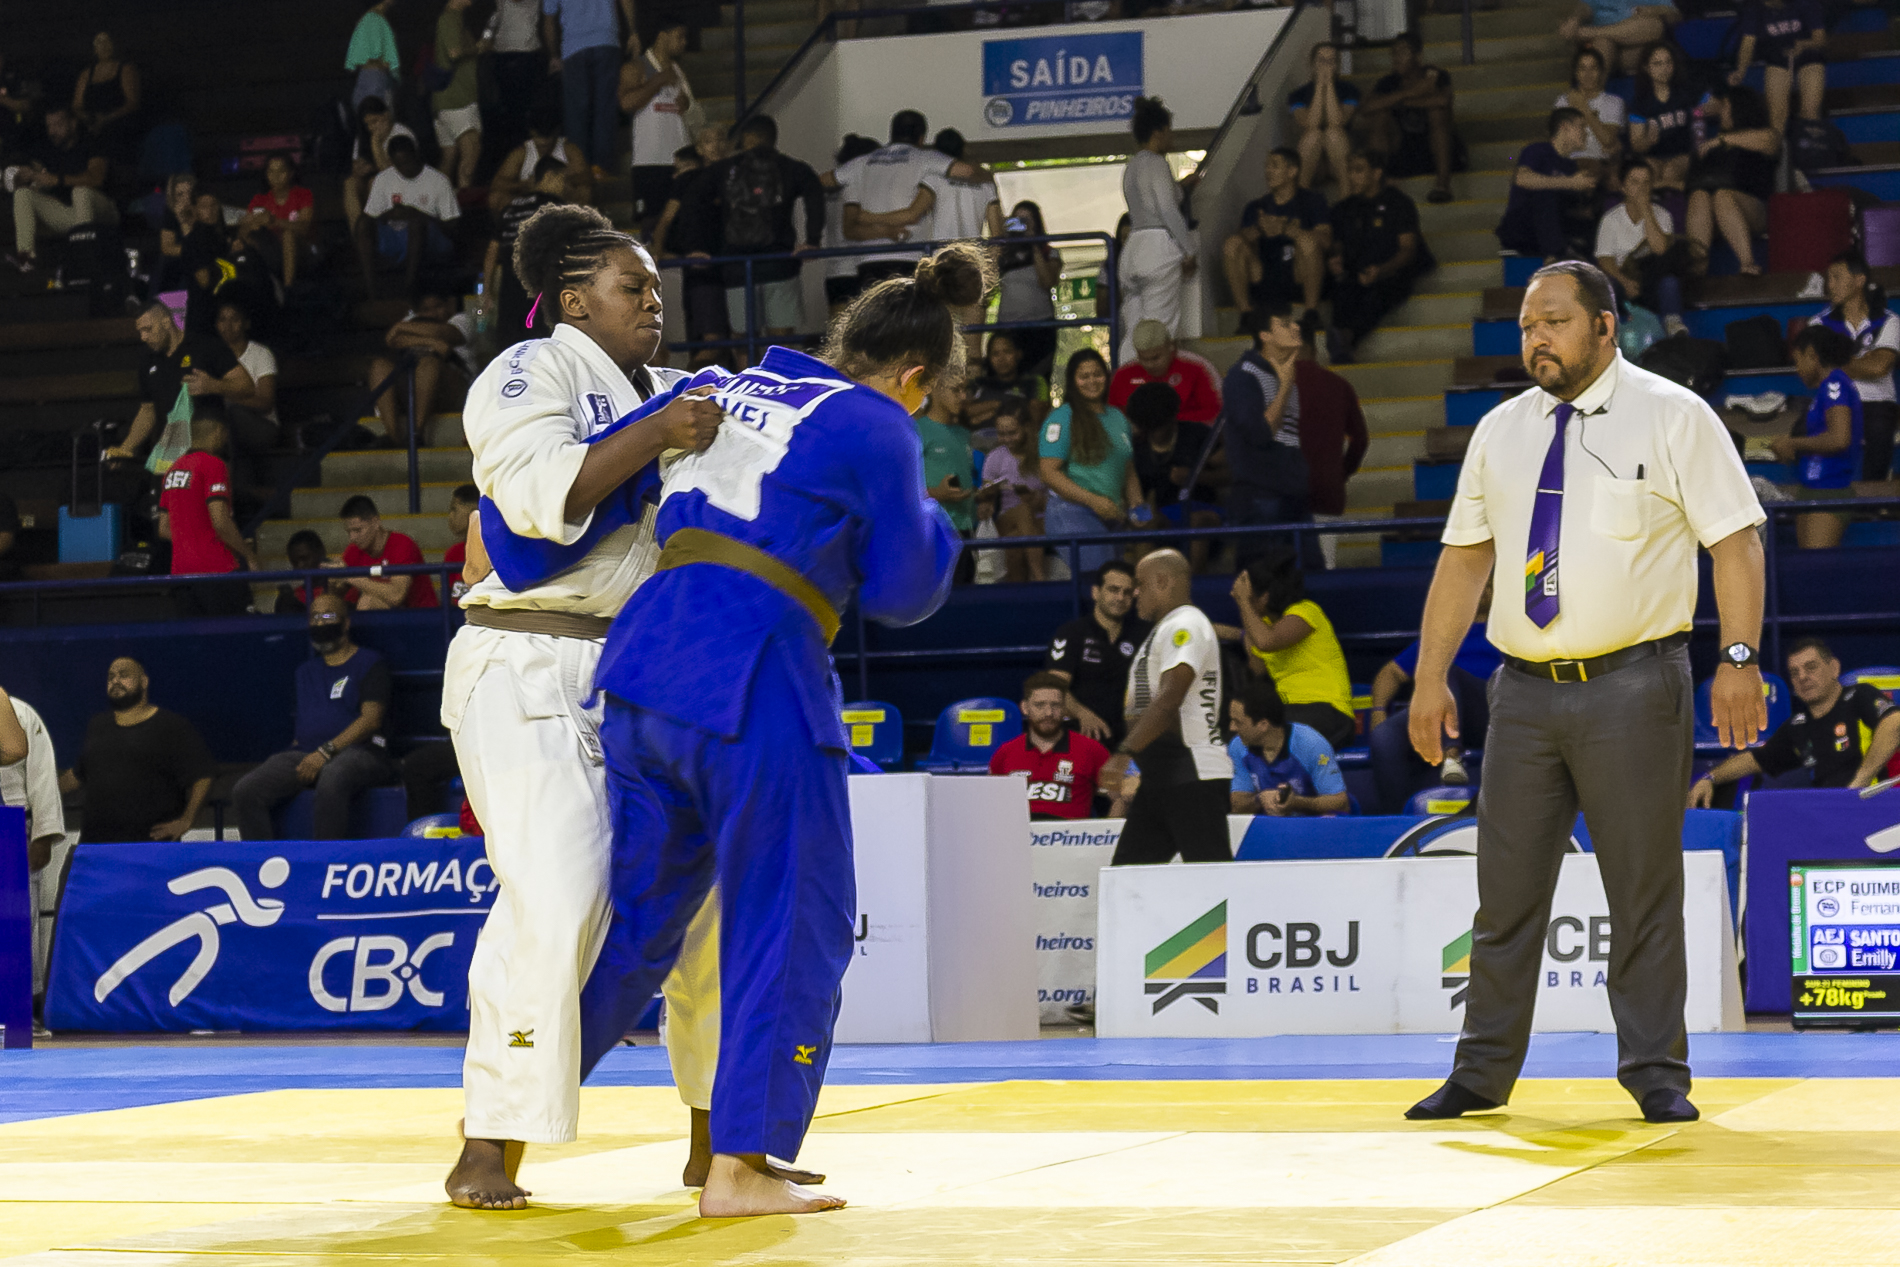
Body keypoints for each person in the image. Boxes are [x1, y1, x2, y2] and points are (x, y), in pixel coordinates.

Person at [574, 243, 977, 1217]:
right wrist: (934, 521)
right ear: (914, 375)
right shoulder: (878, 421)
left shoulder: (724, 383)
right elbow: (900, 591)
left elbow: (617, 471)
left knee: (632, 923)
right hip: (752, 677)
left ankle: (499, 1121)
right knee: (794, 913)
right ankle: (741, 1165)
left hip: (641, 664)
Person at [1403, 260, 1767, 1126]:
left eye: (1556, 322)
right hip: (1521, 693)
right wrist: (1428, 677)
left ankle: (1654, 1072)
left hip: (1634, 684)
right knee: (1505, 893)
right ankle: (1482, 1072)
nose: (1537, 339)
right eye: (1529, 325)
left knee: (1642, 890)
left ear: (1606, 327)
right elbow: (1465, 559)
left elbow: (1737, 542)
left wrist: (1740, 655)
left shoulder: (1676, 415)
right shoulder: (1500, 430)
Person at [438, 201, 723, 1211]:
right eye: (632, 287)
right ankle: (489, 1141)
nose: (655, 302)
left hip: (641, 675)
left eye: (655, 288)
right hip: (525, 661)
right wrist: (656, 429)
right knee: (558, 893)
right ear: (571, 300)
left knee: (705, 900)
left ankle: (721, 1138)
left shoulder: (672, 394)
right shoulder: (531, 373)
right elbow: (534, 505)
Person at [232, 594, 399, 840]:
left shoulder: (370, 663)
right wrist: (306, 752)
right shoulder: (305, 672)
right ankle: (263, 866)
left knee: (333, 776)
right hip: (307, 752)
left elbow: (371, 720)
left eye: (328, 616)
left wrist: (325, 752)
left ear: (346, 623)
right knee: (245, 790)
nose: (321, 623)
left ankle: (326, 862)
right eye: (315, 618)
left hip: (362, 752)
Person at [1101, 549, 1231, 864]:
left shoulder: (1185, 624)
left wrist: (1122, 754)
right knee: (1128, 878)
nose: (1134, 594)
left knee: (1213, 882)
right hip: (1162, 774)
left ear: (1162, 581)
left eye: (1140, 585)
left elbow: (1170, 698)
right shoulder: (1164, 630)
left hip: (1192, 771)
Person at [1691, 638, 1900, 804]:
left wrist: (1860, 782)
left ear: (1834, 667)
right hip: (1828, 813)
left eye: (1811, 667)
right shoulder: (1797, 726)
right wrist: (1709, 778)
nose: (1803, 677)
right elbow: (1755, 759)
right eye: (1794, 672)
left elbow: (1894, 723)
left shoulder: (1859, 696)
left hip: (1875, 803)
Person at [685, 114, 826, 360]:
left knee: (742, 341)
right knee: (781, 340)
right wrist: (812, 239)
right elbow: (815, 193)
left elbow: (693, 198)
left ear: (745, 138)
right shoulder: (792, 168)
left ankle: (749, 388)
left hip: (736, 267)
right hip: (780, 264)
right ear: (773, 138)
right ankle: (780, 390)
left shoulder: (725, 169)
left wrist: (696, 245)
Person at [1367, 586, 1498, 811]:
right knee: (1384, 735)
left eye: (1488, 585)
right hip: (1439, 714)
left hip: (1490, 713)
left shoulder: (1504, 631)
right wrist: (1378, 711)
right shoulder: (1444, 635)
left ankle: (1452, 756)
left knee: (1444, 671)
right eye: (1479, 584)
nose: (1481, 590)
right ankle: (1397, 821)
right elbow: (1390, 673)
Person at [59, 658, 214, 843]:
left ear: (144, 681)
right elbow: (79, 775)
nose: (115, 681)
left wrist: (186, 820)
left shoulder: (170, 726)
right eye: (110, 677)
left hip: (149, 848)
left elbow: (203, 775)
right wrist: (40, 793)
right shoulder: (98, 725)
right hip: (96, 845)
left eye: (124, 675)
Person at [833, 109, 985, 287]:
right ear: (921, 138)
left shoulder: (862, 163)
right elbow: (913, 215)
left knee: (876, 312)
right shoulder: (929, 162)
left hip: (868, 258)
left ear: (892, 133)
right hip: (911, 254)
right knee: (910, 311)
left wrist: (865, 217)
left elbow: (825, 180)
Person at [1229, 551, 1357, 750]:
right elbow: (1258, 669)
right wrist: (1242, 631)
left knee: (1270, 736)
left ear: (1264, 598)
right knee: (1240, 735)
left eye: (1248, 594)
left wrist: (1243, 603)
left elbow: (1266, 641)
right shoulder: (1263, 626)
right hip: (1288, 710)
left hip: (1327, 711)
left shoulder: (1305, 612)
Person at [110, 302, 252, 474]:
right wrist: (127, 448)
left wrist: (214, 385)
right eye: (140, 331)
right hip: (169, 454)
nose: (143, 337)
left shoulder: (205, 346)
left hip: (209, 449)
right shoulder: (147, 360)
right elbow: (148, 410)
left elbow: (247, 386)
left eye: (148, 329)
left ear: (166, 322)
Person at [1038, 347, 1140, 574]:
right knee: (1100, 580)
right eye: (1084, 376)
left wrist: (1139, 509)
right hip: (1072, 511)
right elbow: (1048, 472)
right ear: (1073, 381)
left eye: (1097, 374)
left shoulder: (1117, 417)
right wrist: (1094, 501)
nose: (1091, 381)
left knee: (1116, 582)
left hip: (1112, 515)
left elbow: (1128, 470)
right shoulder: (1062, 417)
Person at [1326, 149, 1433, 362]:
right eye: (1350, 171)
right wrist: (1336, 260)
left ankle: (1348, 338)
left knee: (1377, 295)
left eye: (1358, 171)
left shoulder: (1398, 203)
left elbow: (1408, 249)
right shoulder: (1344, 209)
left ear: (1376, 173)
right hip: (1358, 269)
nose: (1352, 177)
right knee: (1343, 291)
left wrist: (1382, 270)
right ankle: (1340, 338)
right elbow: (1337, 244)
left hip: (1392, 270)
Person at [1222, 305, 1313, 538]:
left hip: (1293, 491)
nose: (1296, 327)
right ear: (1265, 335)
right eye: (1285, 323)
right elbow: (1259, 433)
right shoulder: (1244, 376)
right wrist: (1283, 387)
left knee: (1309, 569)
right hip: (1261, 495)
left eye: (1294, 322)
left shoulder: (1286, 373)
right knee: (1264, 568)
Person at [1119, 96, 1197, 361]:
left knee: (1134, 331)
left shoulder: (1131, 167)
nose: (1171, 136)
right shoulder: (1157, 163)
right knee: (1157, 333)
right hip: (1157, 250)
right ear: (1159, 132)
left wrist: (1182, 188)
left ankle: (1124, 381)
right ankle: (1149, 390)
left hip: (1132, 248)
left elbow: (1159, 199)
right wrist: (1189, 250)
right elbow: (1166, 209)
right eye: (1169, 131)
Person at [1772, 324, 1862, 549]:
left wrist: (1792, 443)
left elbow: (1840, 438)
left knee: (1816, 573)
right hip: (1812, 488)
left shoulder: (1835, 384)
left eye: (1797, 360)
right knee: (1807, 567)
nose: (1797, 369)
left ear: (1811, 353)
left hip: (1829, 489)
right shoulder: (1824, 391)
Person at [159, 415, 259, 616]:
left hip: (181, 575)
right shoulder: (213, 464)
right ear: (218, 432)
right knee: (234, 638)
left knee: (196, 642)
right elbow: (220, 521)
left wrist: (191, 538)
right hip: (217, 570)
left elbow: (163, 529)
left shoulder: (172, 470)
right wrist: (249, 555)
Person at [1291, 314, 1370, 567]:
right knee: (1325, 570)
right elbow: (1360, 440)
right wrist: (1340, 473)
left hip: (1283, 492)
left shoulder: (1270, 387)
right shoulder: (1339, 385)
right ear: (1314, 349)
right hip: (1327, 490)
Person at [1815, 250, 1899, 482]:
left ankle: (1872, 499)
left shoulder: (1889, 321)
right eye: (1827, 279)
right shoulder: (1819, 323)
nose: (1829, 285)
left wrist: (1836, 364)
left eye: (1836, 278)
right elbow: (1818, 370)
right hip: (1834, 400)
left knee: (1880, 431)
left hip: (1877, 403)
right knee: (1804, 430)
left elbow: (1879, 367)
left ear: (1859, 280)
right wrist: (1862, 362)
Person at [1045, 560, 1149, 746]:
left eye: (1126, 592)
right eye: (1113, 590)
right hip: (1082, 736)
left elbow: (1184, 629)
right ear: (1096, 592)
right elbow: (1055, 687)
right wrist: (1083, 714)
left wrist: (1217, 630)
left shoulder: (1144, 633)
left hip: (1130, 740)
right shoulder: (1072, 633)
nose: (1120, 597)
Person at [1221, 147, 1330, 326]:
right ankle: (1246, 315)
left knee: (1308, 241)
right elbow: (1240, 241)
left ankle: (1311, 312)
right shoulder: (1256, 206)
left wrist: (1287, 229)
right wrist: (1259, 230)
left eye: (1274, 166)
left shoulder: (1312, 201)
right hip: (1265, 273)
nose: (1268, 171)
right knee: (1232, 243)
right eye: (1267, 166)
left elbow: (1326, 242)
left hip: (1297, 273)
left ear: (1292, 171)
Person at [2, 687, 63, 997]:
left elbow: (41, 776)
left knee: (17, 921)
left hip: (13, 829)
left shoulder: (20, 713)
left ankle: (21, 1006)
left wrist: (43, 836)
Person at [1125, 382, 1223, 572]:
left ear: (1172, 418)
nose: (1155, 433)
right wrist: (1140, 520)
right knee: (1147, 526)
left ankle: (1194, 585)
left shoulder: (1197, 434)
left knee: (1197, 521)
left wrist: (1196, 477)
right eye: (1150, 429)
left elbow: (1229, 475)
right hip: (1167, 515)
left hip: (1207, 512)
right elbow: (1138, 498)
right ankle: (1145, 585)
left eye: (1159, 426)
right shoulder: (1139, 449)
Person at [990, 672, 1115, 819]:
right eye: (1040, 705)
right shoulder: (1005, 753)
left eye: (1055, 705)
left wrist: (1109, 835)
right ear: (1025, 707)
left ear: (1064, 709)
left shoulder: (1092, 750)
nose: (1048, 712)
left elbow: (1122, 796)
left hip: (1069, 838)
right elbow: (990, 803)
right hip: (1018, 837)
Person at [1684, 85, 1779, 278]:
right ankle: (1698, 268)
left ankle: (1748, 264)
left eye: (1725, 106)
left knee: (1722, 196)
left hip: (1754, 207)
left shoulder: (1759, 136)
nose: (1721, 112)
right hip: (1712, 212)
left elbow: (1770, 140)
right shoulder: (1710, 144)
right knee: (1699, 196)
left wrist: (1722, 140)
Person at [8, 106, 113, 274]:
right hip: (73, 215)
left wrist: (58, 180)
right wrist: (28, 178)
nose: (52, 131)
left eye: (58, 125)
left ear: (72, 123)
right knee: (22, 194)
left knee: (81, 192)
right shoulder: (48, 150)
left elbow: (96, 178)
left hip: (103, 211)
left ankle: (84, 257)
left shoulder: (92, 142)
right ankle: (26, 260)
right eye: (49, 126)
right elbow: (36, 178)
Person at [366, 287, 478, 446]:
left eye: (437, 307)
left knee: (429, 363)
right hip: (413, 388)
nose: (432, 313)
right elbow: (391, 340)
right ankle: (393, 437)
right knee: (380, 366)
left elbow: (445, 335)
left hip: (454, 391)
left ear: (450, 305)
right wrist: (431, 342)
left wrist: (400, 329)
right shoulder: (408, 322)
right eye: (426, 310)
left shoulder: (462, 320)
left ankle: (416, 435)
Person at [1356, 31, 1457, 204]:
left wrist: (1400, 101)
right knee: (1380, 116)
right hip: (1401, 151)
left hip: (1434, 149)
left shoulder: (1434, 75)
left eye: (1402, 52)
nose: (1396, 58)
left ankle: (1442, 184)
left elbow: (1442, 101)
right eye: (1393, 53)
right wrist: (1412, 93)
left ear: (1418, 56)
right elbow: (1366, 108)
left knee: (1437, 112)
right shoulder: (1388, 82)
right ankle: (1379, 185)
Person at [356, 134, 461, 300]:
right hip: (396, 236)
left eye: (407, 162)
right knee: (362, 224)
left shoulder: (438, 180)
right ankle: (371, 291)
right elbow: (371, 217)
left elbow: (453, 227)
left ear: (416, 155)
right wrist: (389, 214)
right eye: (399, 165)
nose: (405, 169)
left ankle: (409, 290)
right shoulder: (383, 179)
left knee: (416, 223)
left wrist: (417, 214)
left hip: (430, 238)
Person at [544, 0, 634, 187]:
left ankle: (580, 172)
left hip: (573, 46)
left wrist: (553, 55)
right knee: (605, 109)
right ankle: (601, 169)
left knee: (576, 113)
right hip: (606, 40)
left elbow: (549, 20)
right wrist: (633, 31)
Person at [1228, 680, 1349, 816]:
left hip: (1311, 825)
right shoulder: (1238, 746)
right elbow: (1237, 805)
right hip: (1268, 827)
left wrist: (1296, 802)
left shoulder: (1311, 743)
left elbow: (1341, 804)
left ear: (1263, 725)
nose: (1231, 728)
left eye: (1238, 722)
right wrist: (1260, 799)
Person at [1595, 158, 1687, 336]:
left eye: (1646, 182)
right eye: (1635, 182)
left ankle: (1673, 325)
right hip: (1623, 278)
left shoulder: (1663, 215)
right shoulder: (1611, 219)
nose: (1641, 188)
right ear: (1624, 187)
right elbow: (1604, 259)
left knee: (1670, 283)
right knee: (1608, 287)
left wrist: (1646, 210)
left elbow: (1660, 249)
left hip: (1652, 279)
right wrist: (1625, 281)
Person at [621, 18, 694, 235]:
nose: (684, 43)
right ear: (662, 35)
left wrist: (685, 103)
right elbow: (626, 103)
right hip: (650, 161)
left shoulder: (678, 70)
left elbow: (687, 108)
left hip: (679, 159)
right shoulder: (636, 67)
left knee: (682, 221)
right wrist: (657, 81)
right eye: (680, 36)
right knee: (651, 223)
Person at [1496, 110, 1598, 264]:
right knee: (1543, 193)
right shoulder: (1538, 150)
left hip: (1550, 230)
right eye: (1582, 127)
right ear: (1565, 126)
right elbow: (1521, 179)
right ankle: (1553, 256)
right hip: (1522, 227)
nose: (1586, 133)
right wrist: (1570, 183)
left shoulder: (1570, 166)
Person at [488, 157, 571, 339]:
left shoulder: (511, 207)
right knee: (538, 343)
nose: (566, 187)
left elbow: (493, 248)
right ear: (550, 176)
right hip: (538, 286)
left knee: (510, 344)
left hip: (509, 289)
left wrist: (487, 290)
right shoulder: (556, 208)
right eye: (564, 180)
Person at [213, 303, 281, 495]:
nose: (228, 325)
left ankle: (238, 488)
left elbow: (266, 402)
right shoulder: (213, 356)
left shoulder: (260, 354)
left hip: (262, 426)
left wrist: (227, 396)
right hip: (223, 426)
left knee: (231, 414)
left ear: (246, 324)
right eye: (222, 320)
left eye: (234, 319)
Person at [979, 398, 1049, 582]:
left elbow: (1054, 498)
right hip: (1007, 517)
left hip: (1041, 518)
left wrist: (1034, 498)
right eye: (1002, 434)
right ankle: (1039, 577)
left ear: (1025, 427)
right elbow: (987, 494)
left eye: (1012, 433)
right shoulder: (995, 457)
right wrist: (986, 497)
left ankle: (1016, 586)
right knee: (1022, 513)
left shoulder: (1042, 455)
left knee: (1016, 538)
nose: (1007, 439)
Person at [1734, 0, 1826, 137]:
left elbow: (1820, 39)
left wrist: (1803, 45)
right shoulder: (1754, 8)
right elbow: (1748, 43)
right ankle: (1781, 155)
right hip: (1777, 58)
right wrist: (1740, 71)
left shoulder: (1805, 3)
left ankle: (1810, 152)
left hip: (1808, 57)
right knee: (1777, 119)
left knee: (1810, 114)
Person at [1109, 320, 1223, 425]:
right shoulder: (1123, 375)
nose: (1150, 364)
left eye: (1155, 358)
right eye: (1143, 358)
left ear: (1171, 346)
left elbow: (1216, 413)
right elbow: (1111, 416)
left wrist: (1167, 424)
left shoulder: (1197, 368)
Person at [994, 201, 1062, 376]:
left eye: (1026, 220)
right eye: (1017, 219)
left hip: (1040, 327)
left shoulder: (1049, 252)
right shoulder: (1003, 253)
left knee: (1039, 380)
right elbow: (987, 284)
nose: (1021, 224)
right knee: (1008, 378)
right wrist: (1000, 238)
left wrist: (1033, 243)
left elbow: (1047, 281)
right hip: (1008, 328)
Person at [340, 493, 439, 609]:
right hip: (382, 617)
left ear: (376, 522)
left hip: (420, 616)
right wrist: (335, 579)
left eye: (357, 530)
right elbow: (338, 591)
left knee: (368, 602)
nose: (352, 538)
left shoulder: (402, 544)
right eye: (349, 532)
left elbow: (396, 595)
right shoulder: (353, 550)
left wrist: (350, 576)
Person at [488, 104, 593, 213]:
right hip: (529, 202)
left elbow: (587, 178)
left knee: (584, 191)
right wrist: (522, 185)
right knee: (496, 198)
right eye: (540, 141)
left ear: (556, 133)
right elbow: (497, 185)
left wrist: (560, 181)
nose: (544, 146)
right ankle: (507, 228)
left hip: (561, 202)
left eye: (548, 143)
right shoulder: (520, 153)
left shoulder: (569, 150)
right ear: (531, 133)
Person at [1628, 41, 1702, 193]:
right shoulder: (1640, 102)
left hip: (1683, 154)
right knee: (1647, 174)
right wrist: (1648, 140)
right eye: (1657, 64)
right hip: (1653, 156)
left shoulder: (1686, 93)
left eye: (1668, 62)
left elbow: (1706, 114)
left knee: (1670, 171)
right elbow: (1636, 144)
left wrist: (1701, 112)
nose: (1664, 68)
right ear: (1646, 68)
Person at [820, 134, 881, 315]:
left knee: (840, 336)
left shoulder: (831, 188)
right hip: (861, 267)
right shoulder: (862, 187)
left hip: (835, 271)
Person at [237, 153, 314, 289]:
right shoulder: (260, 200)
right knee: (251, 238)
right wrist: (249, 224)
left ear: (290, 173)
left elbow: (304, 227)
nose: (276, 176)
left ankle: (288, 289)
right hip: (271, 253)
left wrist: (274, 221)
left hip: (302, 251)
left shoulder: (302, 194)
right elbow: (243, 234)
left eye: (281, 171)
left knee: (288, 235)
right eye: (271, 171)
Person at [914, 372, 976, 540]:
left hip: (965, 528)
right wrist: (936, 493)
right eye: (955, 390)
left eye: (965, 390)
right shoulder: (917, 431)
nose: (963, 396)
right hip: (932, 530)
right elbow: (897, 486)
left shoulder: (963, 434)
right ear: (935, 389)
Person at [1289, 43, 1358, 192]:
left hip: (1340, 155)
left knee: (1333, 133)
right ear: (1312, 64)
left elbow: (1338, 121)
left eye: (1330, 61)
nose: (1325, 66)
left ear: (1337, 65)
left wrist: (1329, 86)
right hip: (1314, 161)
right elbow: (1309, 123)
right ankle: (1302, 197)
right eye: (1321, 61)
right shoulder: (1298, 95)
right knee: (1313, 135)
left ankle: (1346, 196)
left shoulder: (1349, 90)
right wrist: (1320, 85)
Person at [433, 0, 486, 190]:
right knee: (470, 158)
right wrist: (479, 48)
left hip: (448, 102)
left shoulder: (455, 19)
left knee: (449, 158)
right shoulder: (449, 19)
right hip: (458, 101)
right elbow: (454, 53)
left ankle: (436, 206)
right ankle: (464, 209)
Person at [342, 96, 415, 232]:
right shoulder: (363, 136)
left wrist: (376, 145)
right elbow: (355, 166)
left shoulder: (402, 134)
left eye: (375, 122)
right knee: (350, 184)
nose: (371, 128)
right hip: (371, 183)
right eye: (368, 124)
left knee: (374, 182)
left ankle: (379, 237)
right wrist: (359, 170)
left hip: (401, 187)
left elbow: (392, 175)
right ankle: (359, 236)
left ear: (386, 116)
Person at [1558, 47, 1626, 191]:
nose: (1588, 74)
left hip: (1600, 163)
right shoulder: (1562, 102)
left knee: (1590, 168)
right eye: (1583, 69)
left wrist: (1583, 108)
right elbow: (1559, 142)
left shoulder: (1613, 102)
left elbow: (1607, 139)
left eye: (1593, 68)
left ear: (1601, 72)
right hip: (1569, 160)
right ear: (1576, 73)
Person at [1560, 0, 1679, 75]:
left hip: (1639, 46)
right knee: (1603, 43)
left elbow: (1674, 15)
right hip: (1605, 48)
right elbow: (1585, 7)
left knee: (1655, 25)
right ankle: (1595, 98)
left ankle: (1589, 33)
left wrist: (1655, 10)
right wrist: (1575, 19)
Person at [71, 29, 140, 160]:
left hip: (119, 127)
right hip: (92, 127)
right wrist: (89, 119)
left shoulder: (126, 69)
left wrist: (106, 119)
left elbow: (132, 102)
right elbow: (76, 105)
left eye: (107, 41)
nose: (104, 46)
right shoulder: (86, 74)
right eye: (99, 42)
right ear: (94, 48)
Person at [488, 0, 547, 143]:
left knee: (523, 105)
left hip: (525, 51)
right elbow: (497, 14)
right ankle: (513, 147)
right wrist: (486, 37)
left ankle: (523, 146)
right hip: (504, 51)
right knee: (508, 106)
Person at [966, 332, 1049, 429]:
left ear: (1018, 354)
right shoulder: (977, 384)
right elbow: (964, 413)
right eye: (995, 354)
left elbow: (1036, 416)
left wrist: (988, 410)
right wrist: (1002, 404)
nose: (1001, 359)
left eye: (1007, 352)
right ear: (989, 358)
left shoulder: (1034, 382)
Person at [345, 0, 402, 110]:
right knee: (375, 112)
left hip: (369, 74)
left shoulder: (370, 20)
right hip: (376, 74)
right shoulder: (375, 20)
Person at [274, 529, 334, 614]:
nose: (300, 565)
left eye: (304, 559)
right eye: (294, 562)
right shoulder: (292, 597)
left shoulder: (339, 588)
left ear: (320, 553)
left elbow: (334, 618)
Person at [443, 482, 479, 603]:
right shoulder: (453, 553)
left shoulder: (495, 549)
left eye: (454, 509)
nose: (450, 516)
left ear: (474, 510)